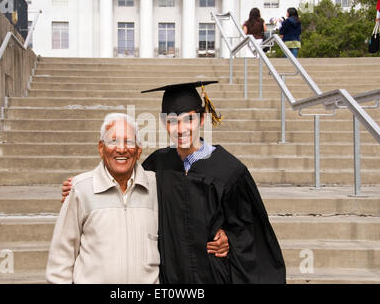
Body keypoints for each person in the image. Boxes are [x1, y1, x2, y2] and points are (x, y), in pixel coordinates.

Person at [63, 81, 286, 284]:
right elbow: (122, 181)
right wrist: (83, 187)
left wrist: (230, 236)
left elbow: (250, 228)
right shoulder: (157, 164)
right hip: (169, 276)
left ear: (202, 119)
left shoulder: (229, 170)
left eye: (189, 119)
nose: (181, 129)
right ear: (163, 123)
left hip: (213, 276)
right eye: (172, 121)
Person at [46, 113, 160, 283]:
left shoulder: (157, 187)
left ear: (138, 150)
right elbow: (61, 257)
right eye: (113, 141)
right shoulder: (81, 189)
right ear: (101, 148)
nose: (121, 149)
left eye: (129, 141)